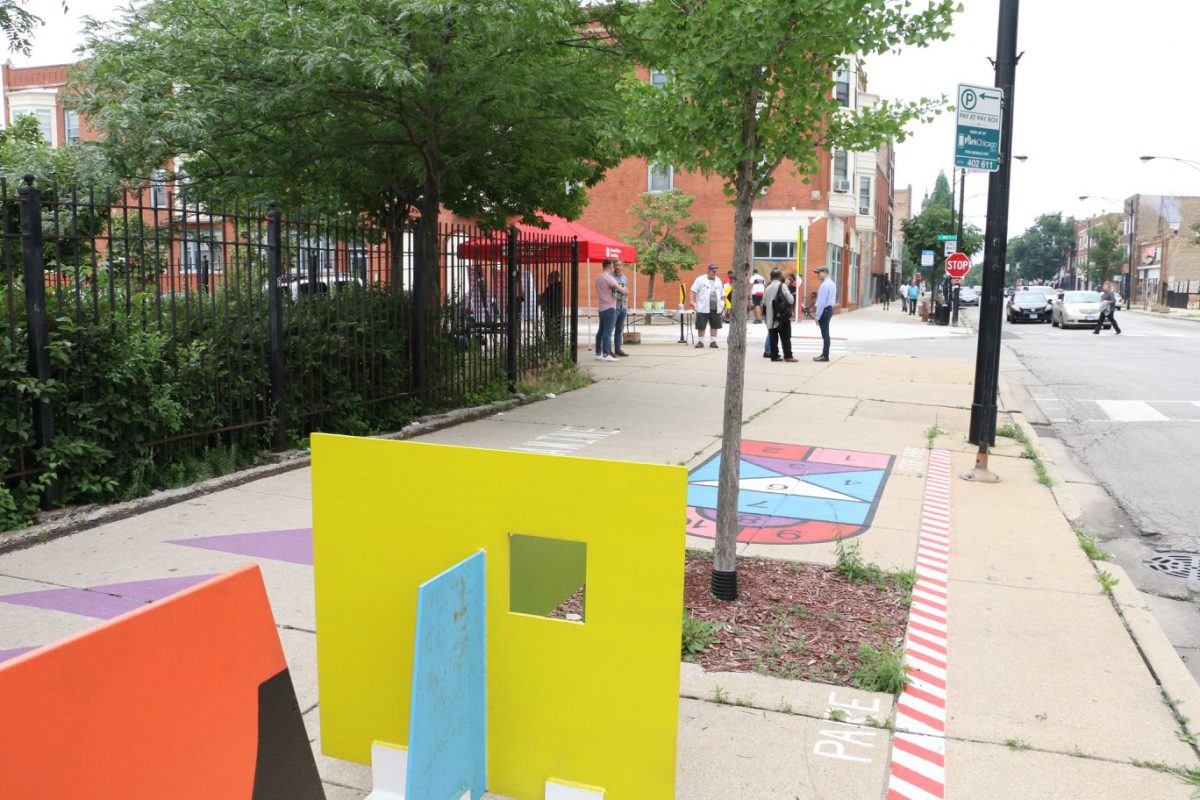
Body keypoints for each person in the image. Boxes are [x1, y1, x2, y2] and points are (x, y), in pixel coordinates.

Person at [594, 258, 626, 361]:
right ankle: (606, 354)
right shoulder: (608, 277)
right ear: (610, 266)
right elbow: (620, 289)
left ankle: (598, 353)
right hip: (610, 308)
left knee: (601, 331)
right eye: (613, 265)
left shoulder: (599, 277)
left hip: (601, 308)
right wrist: (626, 291)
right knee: (607, 332)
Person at [764, 268, 797, 362]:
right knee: (785, 337)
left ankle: (774, 356)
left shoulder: (767, 287)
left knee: (773, 338)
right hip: (782, 316)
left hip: (771, 317)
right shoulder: (782, 286)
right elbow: (791, 300)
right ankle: (788, 355)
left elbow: (765, 302)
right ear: (779, 277)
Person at [690, 263, 724, 348]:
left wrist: (722, 303)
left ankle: (713, 342)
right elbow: (692, 290)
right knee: (701, 325)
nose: (714, 272)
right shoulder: (700, 279)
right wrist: (691, 300)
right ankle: (700, 342)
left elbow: (723, 293)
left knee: (715, 325)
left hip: (716, 307)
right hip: (703, 307)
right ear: (708, 271)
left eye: (715, 271)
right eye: (713, 271)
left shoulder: (718, 280)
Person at [813, 265, 836, 362]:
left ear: (825, 272)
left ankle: (825, 355)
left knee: (825, 334)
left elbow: (821, 302)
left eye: (819, 272)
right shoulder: (831, 283)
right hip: (829, 309)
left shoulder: (825, 285)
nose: (817, 274)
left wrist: (817, 316)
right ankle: (824, 354)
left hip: (824, 310)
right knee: (826, 334)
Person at [539, 270, 564, 344]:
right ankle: (557, 344)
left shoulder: (550, 288)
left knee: (549, 330)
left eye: (548, 278)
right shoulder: (559, 287)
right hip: (558, 311)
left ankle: (551, 344)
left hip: (550, 312)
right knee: (557, 329)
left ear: (552, 279)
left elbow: (542, 299)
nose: (547, 281)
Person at [612, 261, 630, 356]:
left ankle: (618, 349)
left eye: (619, 265)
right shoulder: (611, 277)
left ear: (622, 266)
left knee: (619, 329)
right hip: (613, 307)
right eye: (616, 265)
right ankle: (607, 350)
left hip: (622, 306)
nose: (618, 267)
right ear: (613, 266)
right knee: (609, 329)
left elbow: (627, 290)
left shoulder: (624, 278)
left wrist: (626, 303)